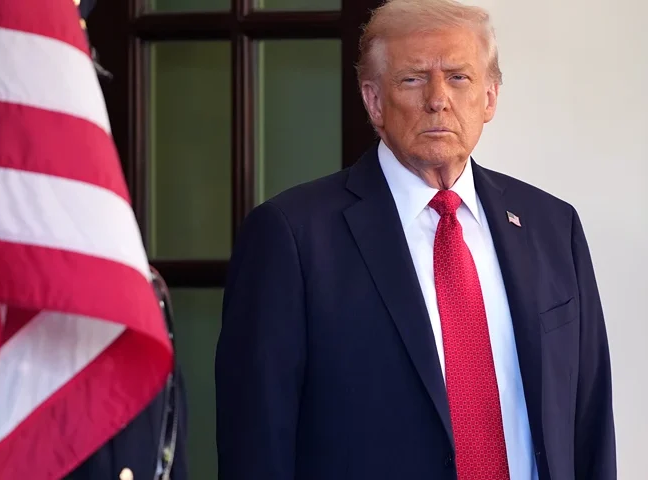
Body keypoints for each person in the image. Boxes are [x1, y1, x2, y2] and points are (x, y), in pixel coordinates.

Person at [214, 0, 616, 478]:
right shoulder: (291, 237)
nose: (438, 98)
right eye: (413, 79)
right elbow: (257, 444)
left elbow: (589, 422)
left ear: (489, 97)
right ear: (374, 101)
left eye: (459, 77)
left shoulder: (552, 226)